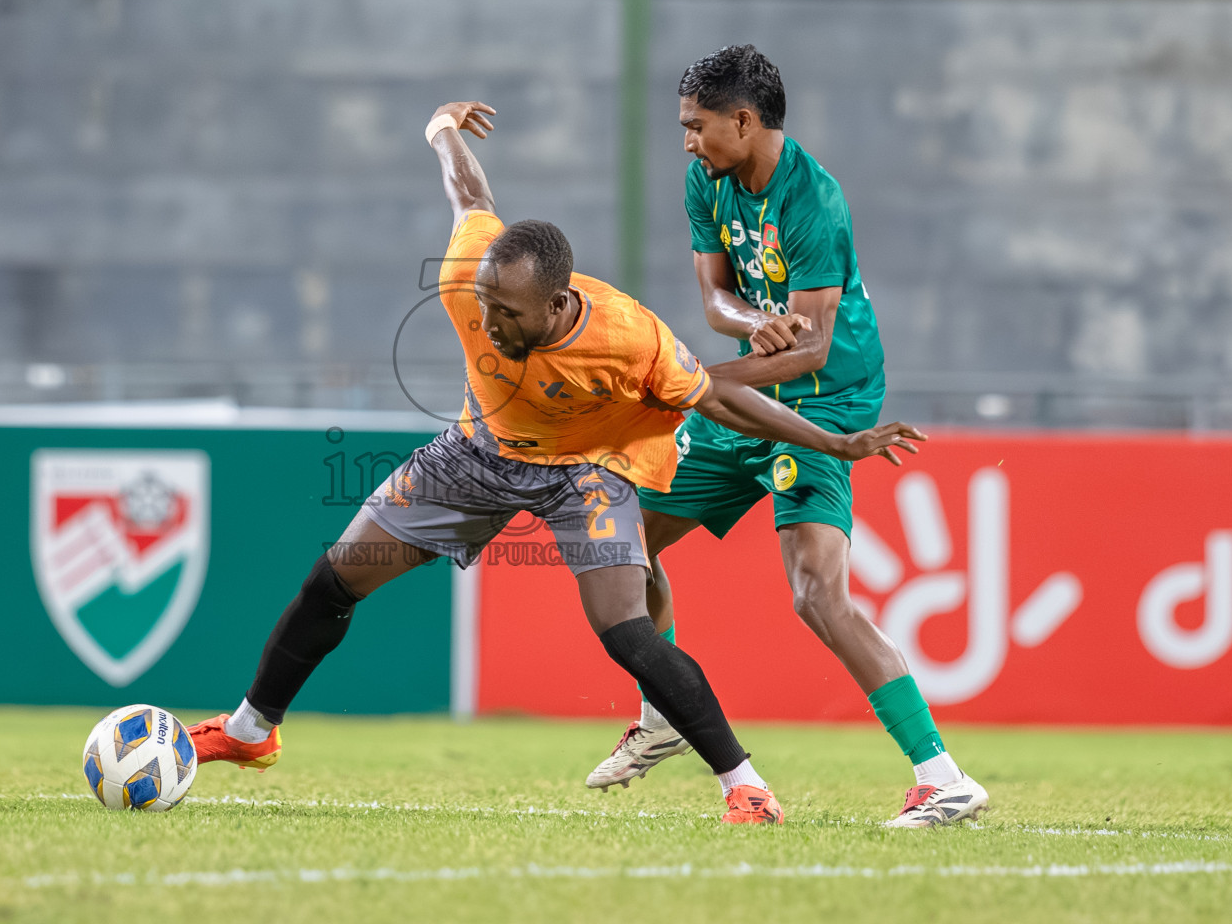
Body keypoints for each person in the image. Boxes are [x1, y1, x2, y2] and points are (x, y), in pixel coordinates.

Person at [188, 99, 925, 824]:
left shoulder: (630, 337)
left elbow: (716, 400)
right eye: (486, 306)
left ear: (557, 305)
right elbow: (469, 192)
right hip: (475, 454)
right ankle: (251, 732)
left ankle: (743, 784)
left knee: (628, 633)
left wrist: (834, 442)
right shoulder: (469, 275)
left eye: (507, 314)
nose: (489, 322)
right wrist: (441, 130)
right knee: (332, 582)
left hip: (586, 471)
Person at [584, 45, 988, 828]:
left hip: (825, 401)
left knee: (816, 594)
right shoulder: (709, 178)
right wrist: (744, 329)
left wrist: (692, 382)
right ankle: (665, 710)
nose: (688, 142)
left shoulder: (815, 203)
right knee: (625, 542)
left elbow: (812, 349)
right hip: (749, 387)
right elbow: (716, 298)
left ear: (744, 120)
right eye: (683, 128)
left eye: (697, 127)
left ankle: (944, 779)